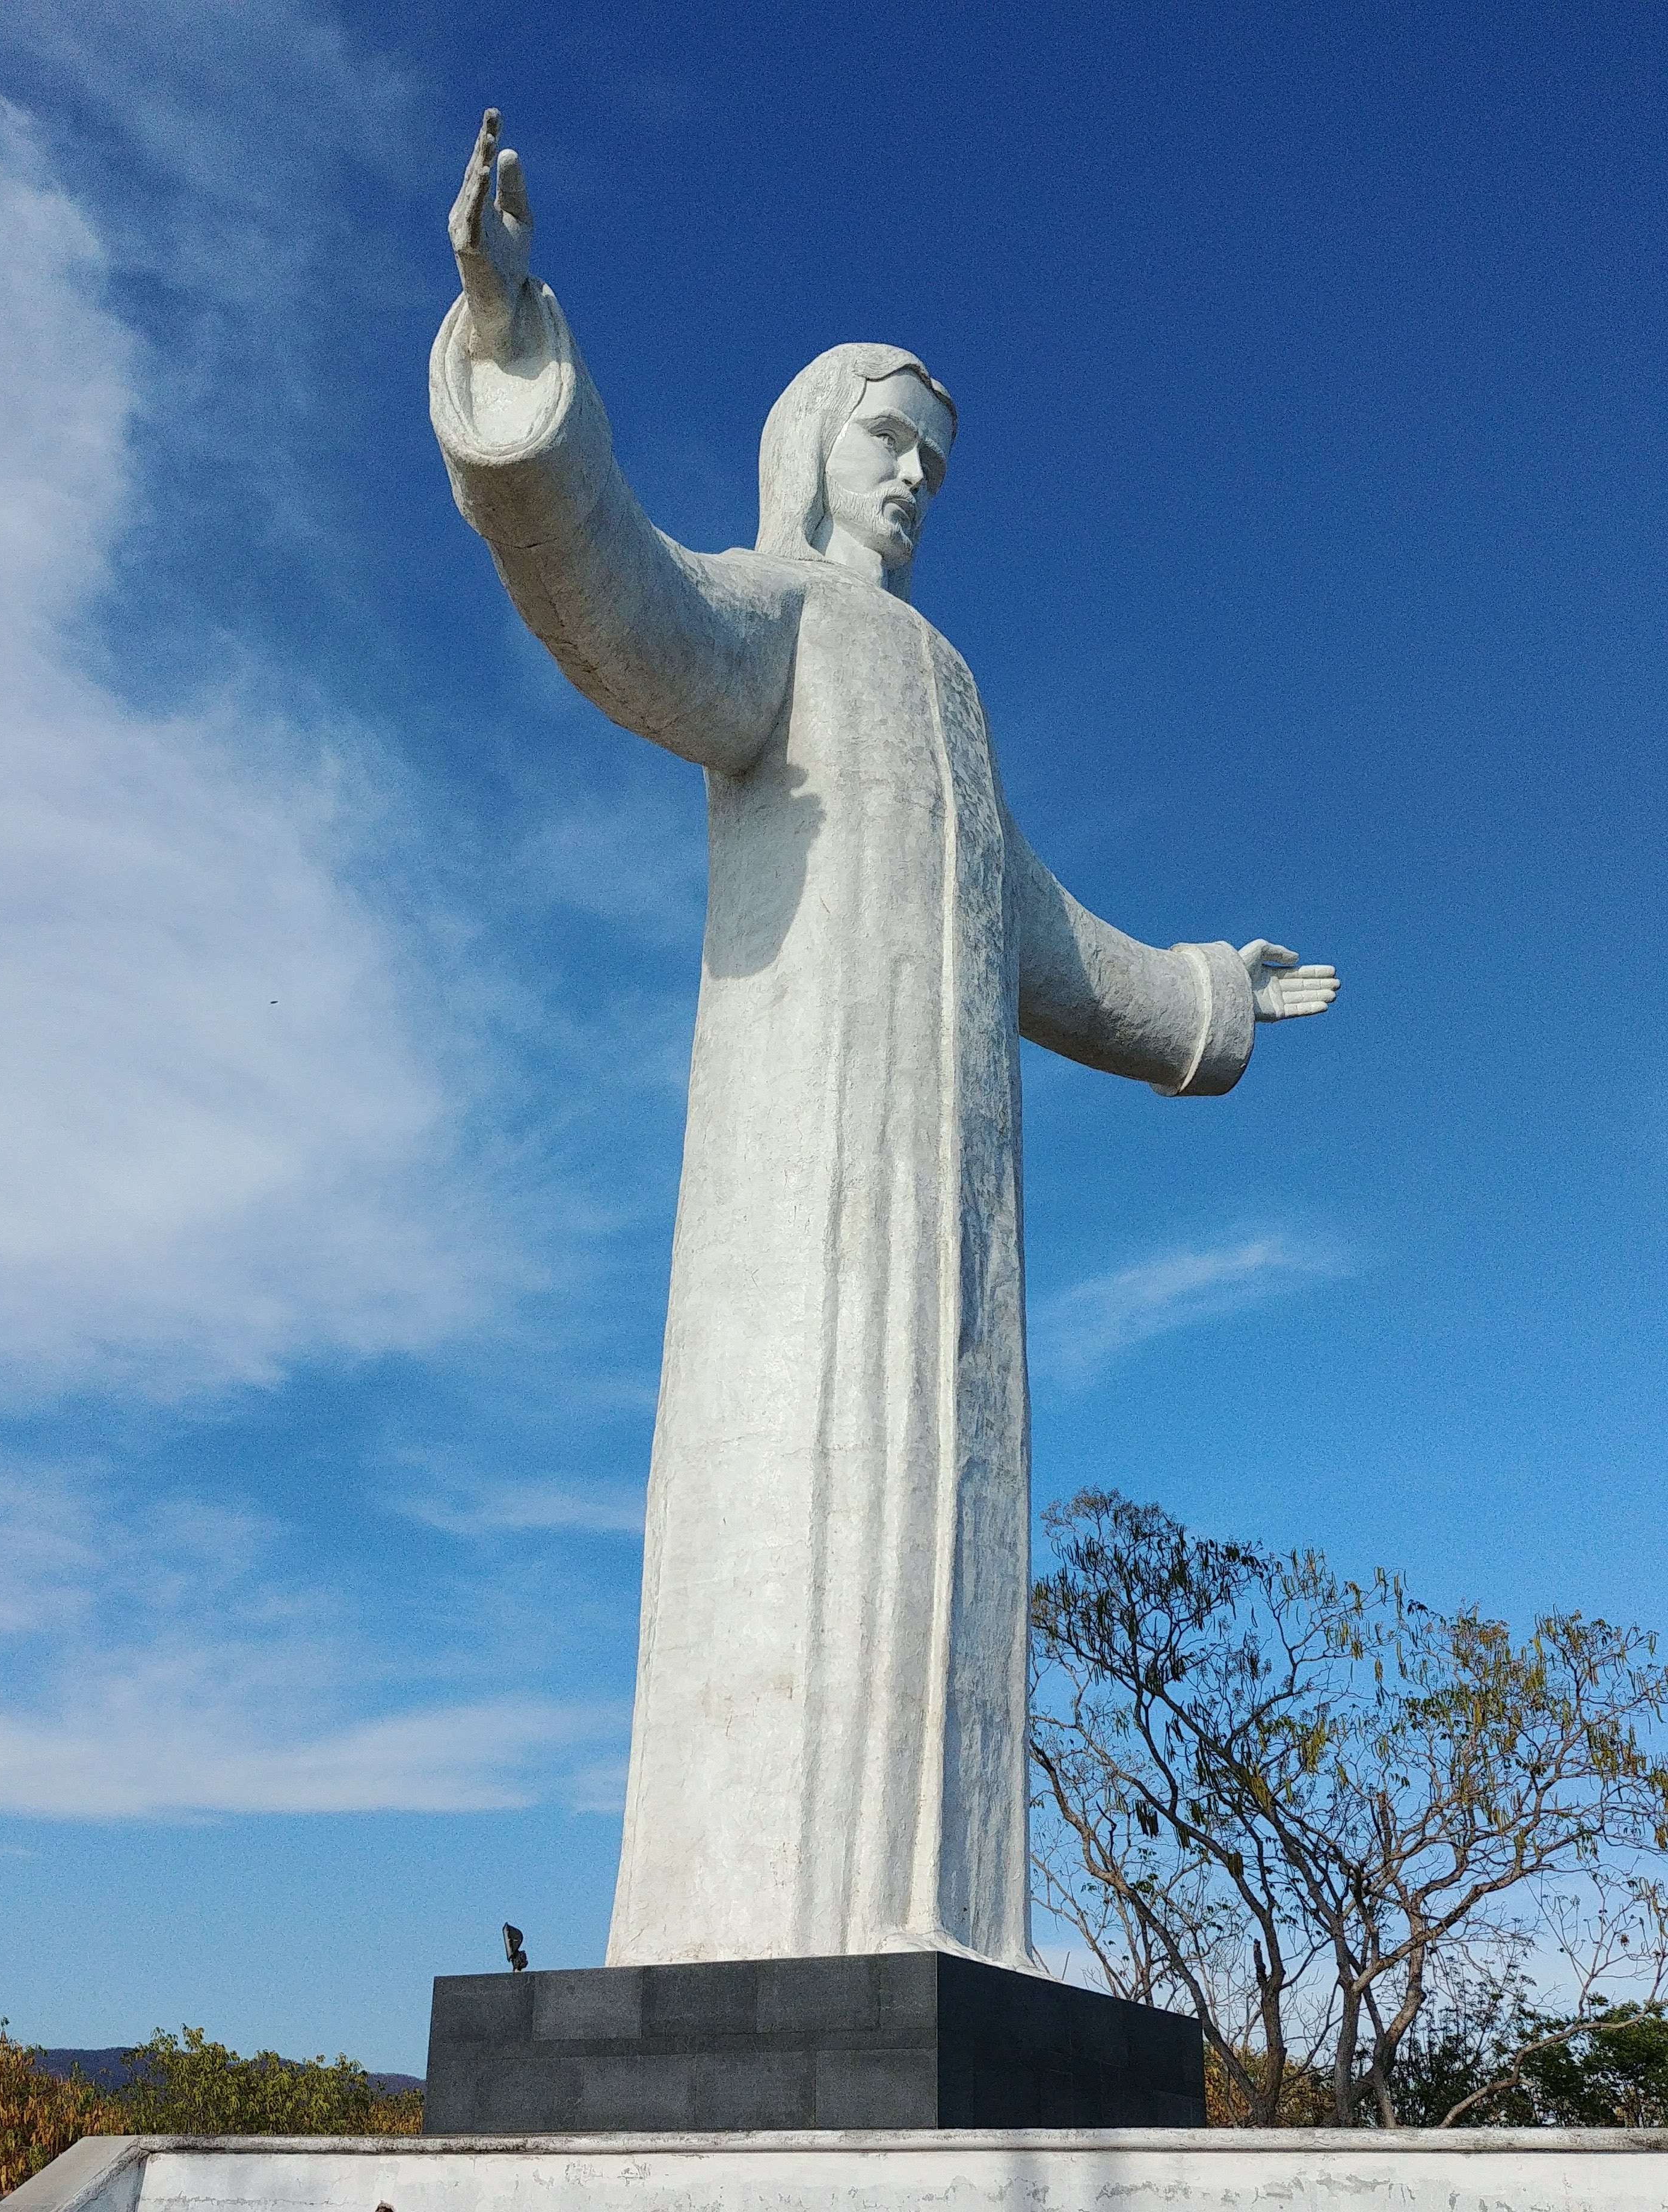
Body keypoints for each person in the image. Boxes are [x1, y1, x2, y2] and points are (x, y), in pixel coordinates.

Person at [432, 112, 1338, 1971]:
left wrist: (1208, 1000)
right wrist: (515, 346)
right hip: (800, 1200)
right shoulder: (783, 622)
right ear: (810, 454)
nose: (915, 482)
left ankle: (937, 1944)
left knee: (943, 1574)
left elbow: (1049, 942)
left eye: (934, 461)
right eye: (885, 443)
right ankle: (726, 1932)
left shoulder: (949, 689)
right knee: (785, 1527)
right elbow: (617, 593)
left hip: (953, 1230)